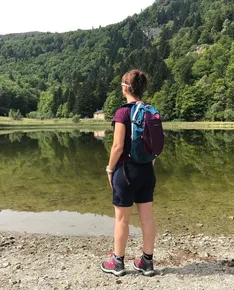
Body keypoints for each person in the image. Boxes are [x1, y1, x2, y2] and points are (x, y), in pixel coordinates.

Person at [101, 69, 157, 277]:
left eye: (122, 85)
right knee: (147, 218)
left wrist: (109, 169)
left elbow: (117, 147)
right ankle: (147, 262)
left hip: (126, 170)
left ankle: (117, 263)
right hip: (147, 170)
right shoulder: (150, 111)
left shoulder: (122, 112)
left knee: (122, 219)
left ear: (126, 88)